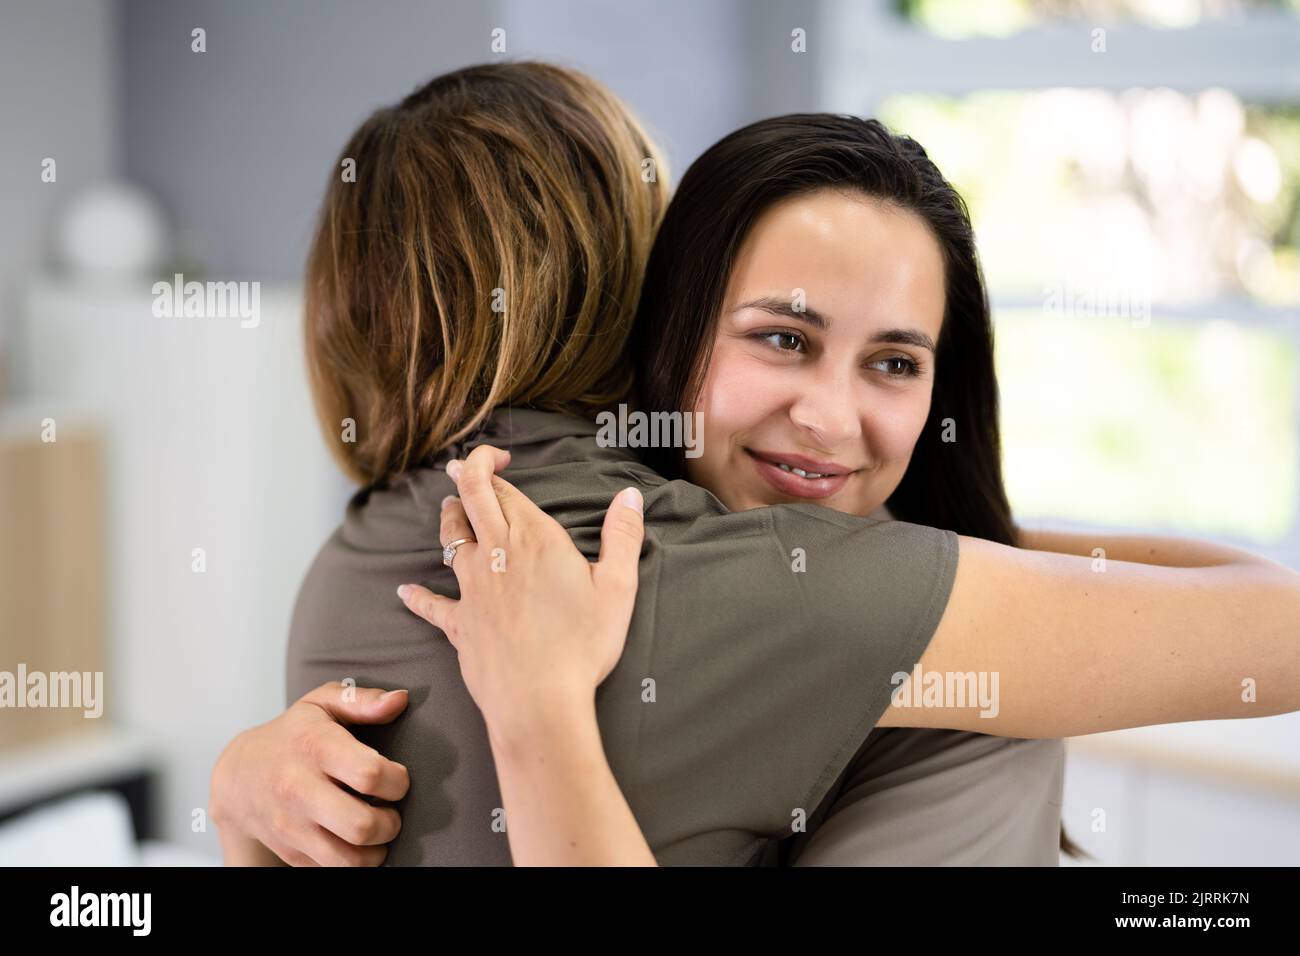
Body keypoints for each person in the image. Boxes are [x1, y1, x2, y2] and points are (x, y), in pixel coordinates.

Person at [210, 67, 1300, 867]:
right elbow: (1278, 626)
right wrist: (951, 558)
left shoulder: (341, 575)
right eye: (779, 335)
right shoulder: (719, 574)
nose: (826, 413)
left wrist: (234, 813)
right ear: (649, 278)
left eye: (892, 361)